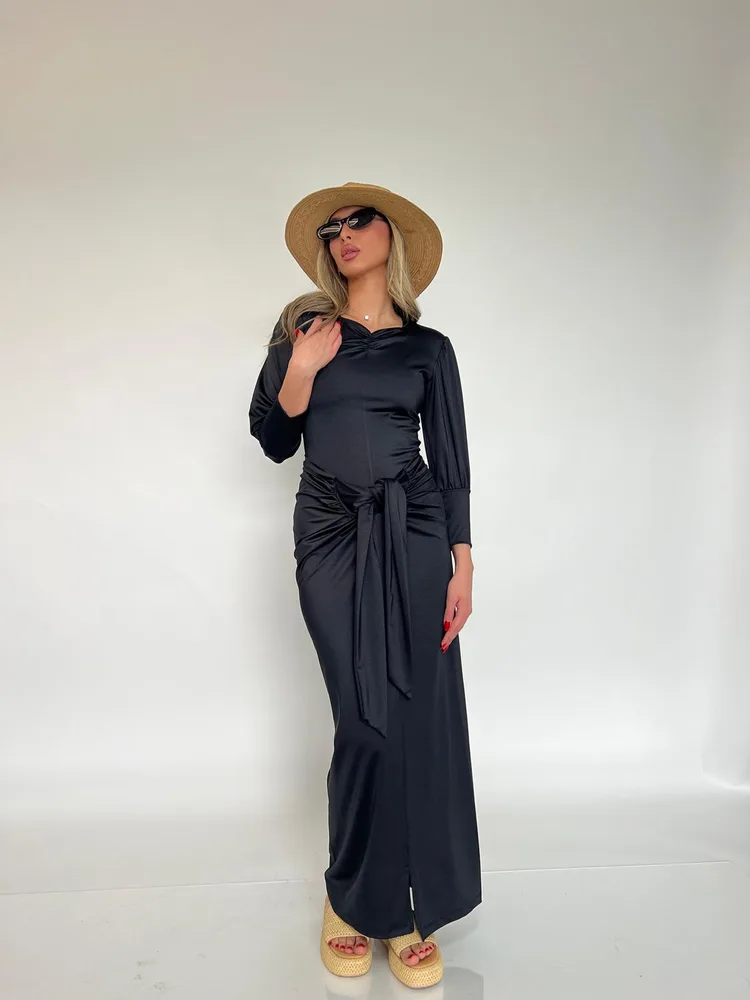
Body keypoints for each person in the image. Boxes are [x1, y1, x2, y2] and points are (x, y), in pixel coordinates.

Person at [249, 182, 481, 988]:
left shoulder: (430, 350)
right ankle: (350, 895)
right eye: (330, 228)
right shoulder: (304, 332)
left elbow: (450, 460)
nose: (342, 234)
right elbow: (273, 439)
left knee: (413, 716)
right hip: (330, 532)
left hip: (415, 534)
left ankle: (408, 903)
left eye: (358, 221)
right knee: (363, 719)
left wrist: (462, 558)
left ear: (392, 237)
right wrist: (302, 369)